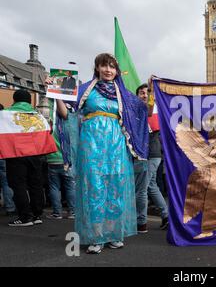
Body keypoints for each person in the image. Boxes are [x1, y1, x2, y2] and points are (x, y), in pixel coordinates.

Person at [54, 53, 149, 254]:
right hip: (92, 146)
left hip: (116, 146)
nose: (108, 70)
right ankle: (96, 236)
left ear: (116, 71)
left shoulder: (123, 93)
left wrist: (154, 90)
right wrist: (55, 93)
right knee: (94, 189)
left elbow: (145, 112)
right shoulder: (85, 89)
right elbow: (65, 113)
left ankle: (114, 234)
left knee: (116, 187)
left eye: (112, 67)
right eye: (104, 66)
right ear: (97, 68)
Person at [4, 90, 45, 226]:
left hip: (16, 154)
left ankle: (24, 217)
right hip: (35, 154)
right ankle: (37, 214)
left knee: (18, 185)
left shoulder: (6, 114)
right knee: (36, 184)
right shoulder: (37, 114)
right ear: (28, 101)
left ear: (14, 100)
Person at [139, 82, 169, 230]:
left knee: (143, 188)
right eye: (141, 93)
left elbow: (149, 110)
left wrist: (151, 91)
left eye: (147, 93)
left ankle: (142, 223)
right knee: (151, 186)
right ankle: (166, 215)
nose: (144, 95)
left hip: (152, 154)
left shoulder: (153, 111)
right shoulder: (137, 110)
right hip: (146, 154)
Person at [45, 99, 76, 220]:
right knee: (70, 187)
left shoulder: (51, 125)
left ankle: (57, 213)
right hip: (68, 160)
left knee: (54, 187)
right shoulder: (70, 124)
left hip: (52, 159)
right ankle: (73, 212)